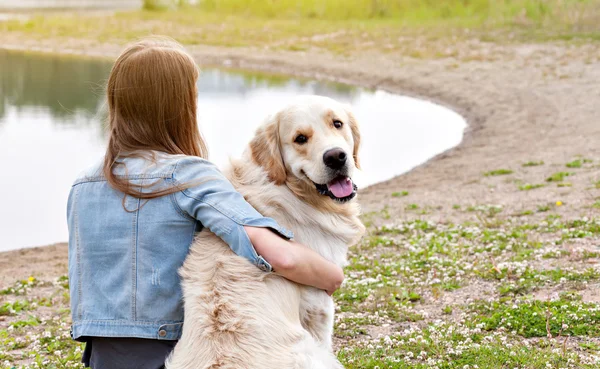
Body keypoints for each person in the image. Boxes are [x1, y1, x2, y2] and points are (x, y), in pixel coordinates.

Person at [67, 36, 344, 369]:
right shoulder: (191, 176)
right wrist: (330, 276)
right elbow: (280, 254)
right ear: (180, 107)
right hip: (177, 356)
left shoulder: (82, 186)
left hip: (100, 359)